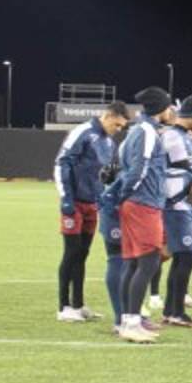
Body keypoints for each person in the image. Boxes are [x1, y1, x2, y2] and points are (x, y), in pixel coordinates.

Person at [54, 101, 129, 323]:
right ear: (107, 116)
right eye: (117, 124)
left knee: (83, 253)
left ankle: (78, 304)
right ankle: (63, 306)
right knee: (71, 253)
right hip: (74, 202)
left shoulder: (109, 142)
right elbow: (62, 163)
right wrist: (66, 198)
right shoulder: (83, 132)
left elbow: (108, 174)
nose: (118, 130)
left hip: (92, 204)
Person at [114, 86, 176, 343]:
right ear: (160, 108)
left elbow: (121, 163)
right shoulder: (147, 132)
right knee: (149, 261)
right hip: (143, 204)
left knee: (133, 263)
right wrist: (126, 193)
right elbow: (138, 170)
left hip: (136, 203)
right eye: (169, 105)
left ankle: (128, 321)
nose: (171, 110)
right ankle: (130, 323)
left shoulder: (133, 132)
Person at [160, 95, 192, 326]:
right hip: (175, 205)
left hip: (184, 204)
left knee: (182, 256)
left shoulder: (185, 136)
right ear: (190, 116)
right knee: (188, 256)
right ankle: (175, 312)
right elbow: (185, 170)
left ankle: (171, 311)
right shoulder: (172, 136)